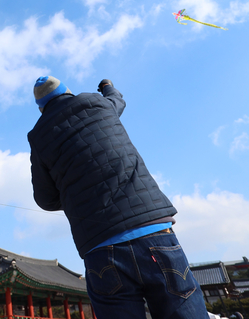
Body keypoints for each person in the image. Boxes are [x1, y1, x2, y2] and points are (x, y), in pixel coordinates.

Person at [28, 76, 208, 318]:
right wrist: (106, 86)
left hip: (99, 247)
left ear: (41, 108)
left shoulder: (39, 136)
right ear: (69, 93)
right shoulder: (99, 105)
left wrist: (75, 195)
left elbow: (45, 199)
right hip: (153, 232)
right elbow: (117, 100)